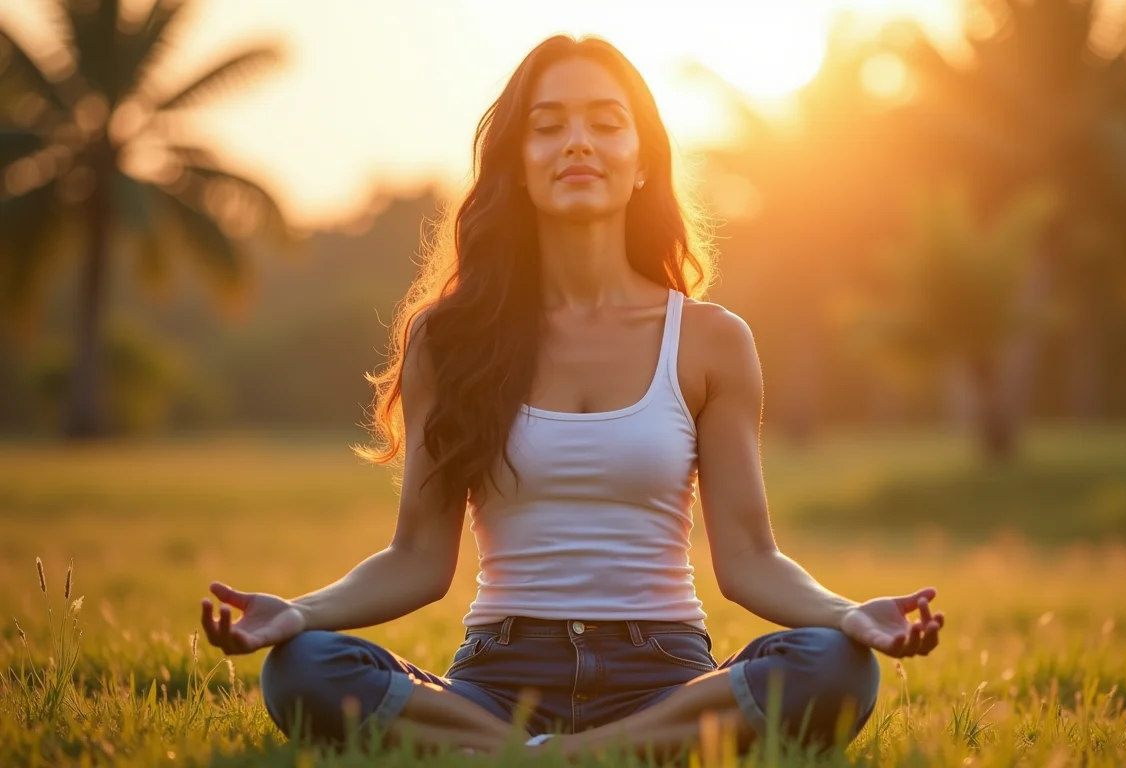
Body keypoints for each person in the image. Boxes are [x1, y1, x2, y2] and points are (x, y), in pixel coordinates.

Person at [198, 33, 944, 760]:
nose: (578, 143)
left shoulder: (710, 340)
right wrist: (298, 614)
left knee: (836, 665)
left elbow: (748, 558)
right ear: (518, 164)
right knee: (303, 669)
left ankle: (532, 757)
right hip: (499, 672)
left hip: (663, 675)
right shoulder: (449, 340)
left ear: (644, 161)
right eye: (548, 127)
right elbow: (418, 559)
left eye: (606, 124)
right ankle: (597, 755)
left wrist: (849, 616)